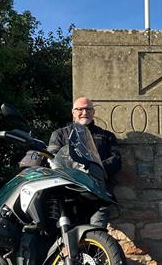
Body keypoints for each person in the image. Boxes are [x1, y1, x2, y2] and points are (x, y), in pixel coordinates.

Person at [48, 97, 121, 227]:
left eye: (88, 109)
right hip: (68, 192)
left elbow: (116, 160)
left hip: (97, 193)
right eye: (80, 109)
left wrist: (93, 169)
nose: (84, 112)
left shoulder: (107, 136)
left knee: (98, 233)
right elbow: (52, 158)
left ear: (93, 112)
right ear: (73, 112)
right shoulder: (59, 134)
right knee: (68, 235)